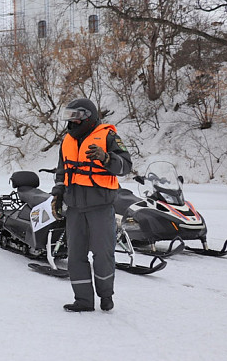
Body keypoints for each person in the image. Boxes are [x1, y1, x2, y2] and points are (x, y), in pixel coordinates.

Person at [51, 98, 132, 312]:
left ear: (88, 116)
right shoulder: (67, 140)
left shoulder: (108, 136)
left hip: (100, 206)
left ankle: (106, 296)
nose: (72, 123)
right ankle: (83, 300)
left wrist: (106, 158)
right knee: (76, 256)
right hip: (75, 208)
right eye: (69, 118)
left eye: (75, 118)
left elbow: (126, 165)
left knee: (103, 254)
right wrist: (57, 195)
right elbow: (62, 172)